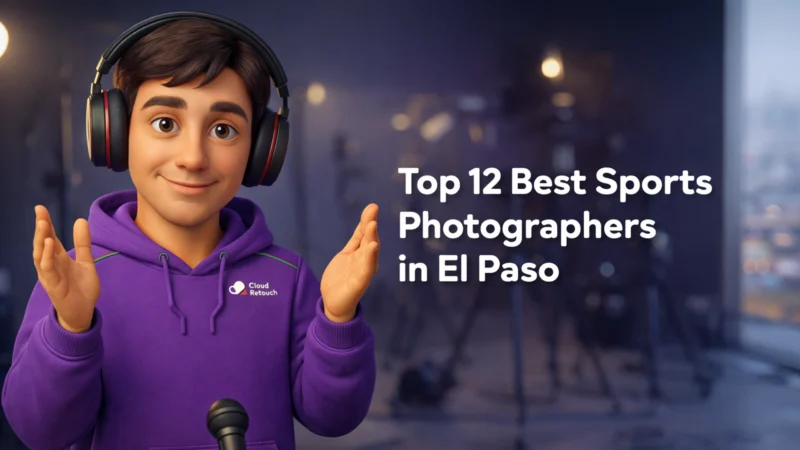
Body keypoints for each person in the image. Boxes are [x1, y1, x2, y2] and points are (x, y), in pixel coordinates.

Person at [1, 15, 379, 450]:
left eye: (223, 130)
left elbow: (333, 418)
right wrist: (70, 328)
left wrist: (338, 321)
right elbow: (40, 432)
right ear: (116, 133)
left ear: (260, 151)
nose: (193, 158)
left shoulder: (286, 277)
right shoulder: (74, 278)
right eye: (165, 123)